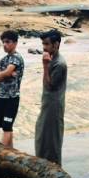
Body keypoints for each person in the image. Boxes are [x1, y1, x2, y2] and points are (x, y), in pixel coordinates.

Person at [35, 29, 67, 165]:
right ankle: (42, 166)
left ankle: (53, 170)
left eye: (47, 44)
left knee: (52, 141)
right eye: (43, 44)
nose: (44, 47)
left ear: (56, 44)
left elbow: (49, 86)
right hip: (48, 104)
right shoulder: (53, 59)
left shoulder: (59, 64)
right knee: (42, 136)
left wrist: (45, 66)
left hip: (54, 107)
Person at [0, 30, 24, 148]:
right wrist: (5, 74)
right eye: (3, 42)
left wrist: (5, 74)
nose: (5, 44)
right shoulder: (3, 60)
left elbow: (6, 73)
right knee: (2, 125)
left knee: (7, 126)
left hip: (12, 98)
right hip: (0, 97)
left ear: (15, 43)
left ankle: (1, 154)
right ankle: (11, 150)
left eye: (8, 42)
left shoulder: (17, 58)